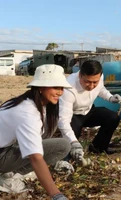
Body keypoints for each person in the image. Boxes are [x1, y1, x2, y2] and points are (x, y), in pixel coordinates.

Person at [0, 64, 72, 199]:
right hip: (1, 154)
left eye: (61, 88)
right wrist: (56, 195)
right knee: (61, 146)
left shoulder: (29, 103)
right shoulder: (27, 113)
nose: (60, 92)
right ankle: (8, 177)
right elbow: (35, 157)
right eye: (55, 87)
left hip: (7, 147)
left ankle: (11, 172)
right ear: (40, 87)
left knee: (62, 145)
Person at [58, 60, 121, 160]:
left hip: (88, 111)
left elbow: (101, 89)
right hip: (73, 115)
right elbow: (63, 120)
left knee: (112, 117)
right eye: (87, 82)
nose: (91, 86)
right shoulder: (68, 88)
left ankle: (98, 147)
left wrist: (110, 97)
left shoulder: (98, 76)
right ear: (80, 75)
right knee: (70, 142)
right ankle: (66, 160)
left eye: (95, 82)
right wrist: (73, 142)